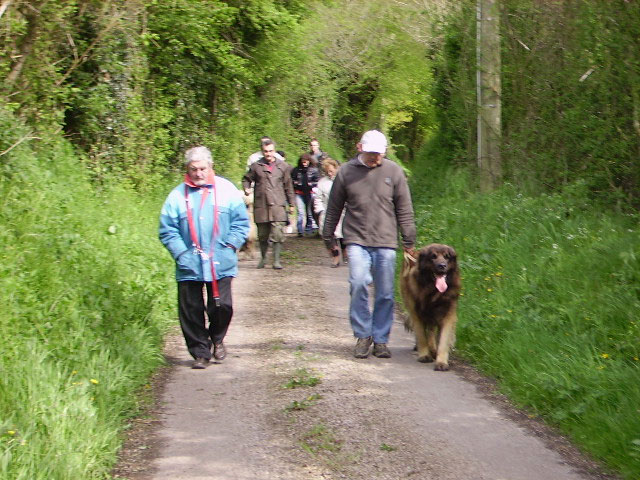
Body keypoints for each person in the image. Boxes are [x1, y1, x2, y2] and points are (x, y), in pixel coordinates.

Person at [322, 130, 416, 359]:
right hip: (356, 239)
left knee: (385, 293)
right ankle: (363, 335)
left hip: (385, 241)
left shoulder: (393, 171)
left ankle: (381, 340)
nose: (376, 158)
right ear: (360, 148)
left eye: (380, 154)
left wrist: (409, 239)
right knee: (358, 283)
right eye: (372, 153)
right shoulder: (346, 172)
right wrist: (328, 237)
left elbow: (404, 207)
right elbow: (334, 207)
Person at [159, 146, 250, 369]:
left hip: (221, 259)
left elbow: (241, 223)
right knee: (191, 308)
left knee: (222, 306)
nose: (199, 173)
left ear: (211, 167)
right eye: (194, 169)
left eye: (202, 168)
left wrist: (230, 245)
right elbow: (167, 229)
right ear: (187, 170)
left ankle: (217, 338)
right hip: (189, 262)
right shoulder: (176, 196)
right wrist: (181, 253)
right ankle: (200, 351)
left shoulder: (227, 190)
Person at [242, 138, 295, 269]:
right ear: (262, 151)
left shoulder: (283, 166)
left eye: (271, 151)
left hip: (278, 205)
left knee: (278, 233)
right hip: (262, 205)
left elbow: (289, 186)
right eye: (265, 151)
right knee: (262, 235)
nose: (268, 154)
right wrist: (246, 188)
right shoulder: (256, 166)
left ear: (274, 151)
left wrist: (292, 203)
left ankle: (276, 260)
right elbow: (246, 179)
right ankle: (264, 258)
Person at [314, 157, 346, 267]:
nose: (329, 173)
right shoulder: (322, 183)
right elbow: (318, 198)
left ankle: (345, 253)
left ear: (336, 169)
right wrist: (320, 210)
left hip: (342, 212)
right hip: (327, 212)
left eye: (331, 171)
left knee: (343, 236)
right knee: (328, 237)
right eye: (327, 171)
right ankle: (335, 257)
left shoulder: (343, 180)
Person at [291, 153, 320, 236]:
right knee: (300, 212)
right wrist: (296, 183)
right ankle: (300, 230)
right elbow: (292, 180)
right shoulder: (296, 170)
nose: (304, 163)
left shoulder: (314, 170)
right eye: (303, 162)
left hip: (310, 193)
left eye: (306, 162)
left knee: (309, 212)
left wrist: (311, 184)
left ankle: (308, 229)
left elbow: (317, 181)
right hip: (299, 193)